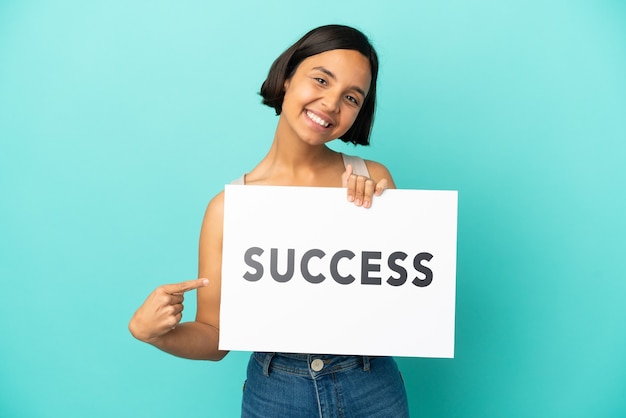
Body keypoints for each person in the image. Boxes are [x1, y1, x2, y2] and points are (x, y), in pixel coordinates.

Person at [129, 24, 410, 417]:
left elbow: (403, 305)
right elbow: (215, 336)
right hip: (276, 392)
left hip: (370, 385)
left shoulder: (374, 179)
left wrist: (379, 219)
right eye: (320, 79)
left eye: (350, 97)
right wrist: (158, 335)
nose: (330, 103)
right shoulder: (228, 208)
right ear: (288, 76)